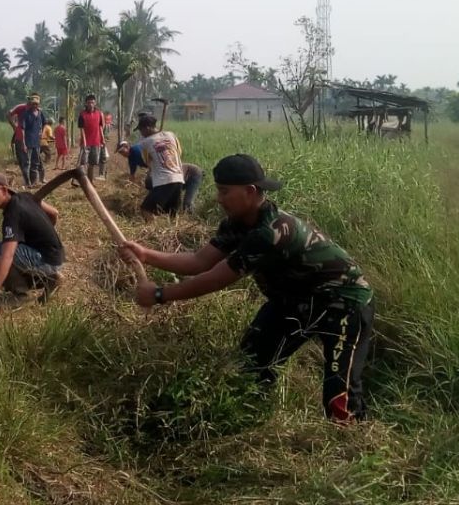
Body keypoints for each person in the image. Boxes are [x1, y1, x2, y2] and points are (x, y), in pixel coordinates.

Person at [118, 154, 375, 423]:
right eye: (219, 190)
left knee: (339, 394)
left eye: (224, 191)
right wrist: (145, 254)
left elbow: (215, 279)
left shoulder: (271, 231)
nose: (219, 198)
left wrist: (159, 295)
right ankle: (250, 419)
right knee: (252, 365)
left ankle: (351, 444)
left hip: (343, 302)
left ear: (250, 192)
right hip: (293, 300)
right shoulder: (235, 225)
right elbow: (199, 261)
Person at [0, 171, 64, 310]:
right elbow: (54, 213)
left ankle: (21, 294)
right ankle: (49, 279)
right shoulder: (25, 196)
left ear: (4, 190)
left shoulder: (13, 214)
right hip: (56, 255)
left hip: (46, 261)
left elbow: (7, 256)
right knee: (8, 248)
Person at [118, 128, 205, 216]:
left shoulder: (137, 150)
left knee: (187, 203)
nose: (122, 154)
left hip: (193, 174)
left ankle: (193, 219)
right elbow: (134, 172)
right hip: (178, 178)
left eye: (122, 151)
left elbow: (152, 162)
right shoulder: (132, 158)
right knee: (171, 206)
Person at [134, 114, 185, 220]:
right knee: (172, 214)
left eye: (141, 130)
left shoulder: (145, 143)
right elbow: (179, 152)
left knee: (146, 209)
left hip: (163, 181)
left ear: (147, 128)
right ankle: (172, 234)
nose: (141, 133)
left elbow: (147, 161)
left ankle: (153, 232)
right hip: (179, 178)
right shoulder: (171, 135)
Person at [76, 94, 107, 180]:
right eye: (89, 103)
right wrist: (84, 142)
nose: (90, 104)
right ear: (86, 103)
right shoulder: (82, 114)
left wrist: (103, 139)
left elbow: (100, 127)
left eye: (92, 102)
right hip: (86, 142)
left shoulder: (99, 114)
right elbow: (81, 129)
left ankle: (90, 180)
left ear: (95, 103)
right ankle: (82, 180)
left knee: (92, 163)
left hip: (96, 141)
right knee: (83, 162)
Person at [19, 93, 47, 187]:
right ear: (30, 104)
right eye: (33, 104)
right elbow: (22, 129)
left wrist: (42, 133)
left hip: (36, 142)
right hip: (28, 141)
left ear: (38, 104)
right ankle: (27, 182)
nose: (34, 105)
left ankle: (34, 181)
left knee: (35, 162)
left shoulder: (40, 113)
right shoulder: (26, 114)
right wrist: (23, 143)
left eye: (36, 104)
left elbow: (44, 124)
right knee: (27, 163)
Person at [6, 100, 30, 187]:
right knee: (23, 161)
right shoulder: (22, 107)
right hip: (20, 138)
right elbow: (9, 114)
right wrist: (14, 126)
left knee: (27, 161)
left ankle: (29, 181)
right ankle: (28, 181)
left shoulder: (36, 110)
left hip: (28, 139)